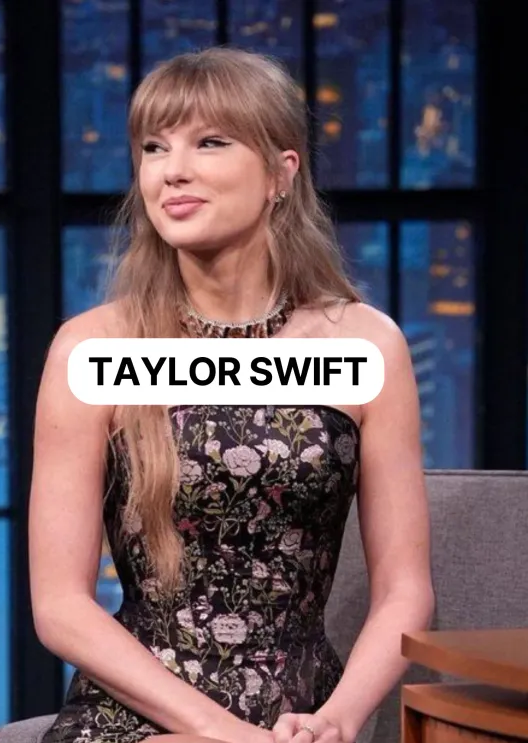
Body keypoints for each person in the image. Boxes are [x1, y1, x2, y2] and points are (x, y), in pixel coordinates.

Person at [30, 47, 434, 743]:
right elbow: (60, 605)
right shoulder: (90, 348)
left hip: (303, 717)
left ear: (282, 172)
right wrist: (222, 732)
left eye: (210, 142)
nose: (172, 170)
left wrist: (338, 719)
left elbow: (405, 590)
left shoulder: (367, 345)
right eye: (154, 147)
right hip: (136, 717)